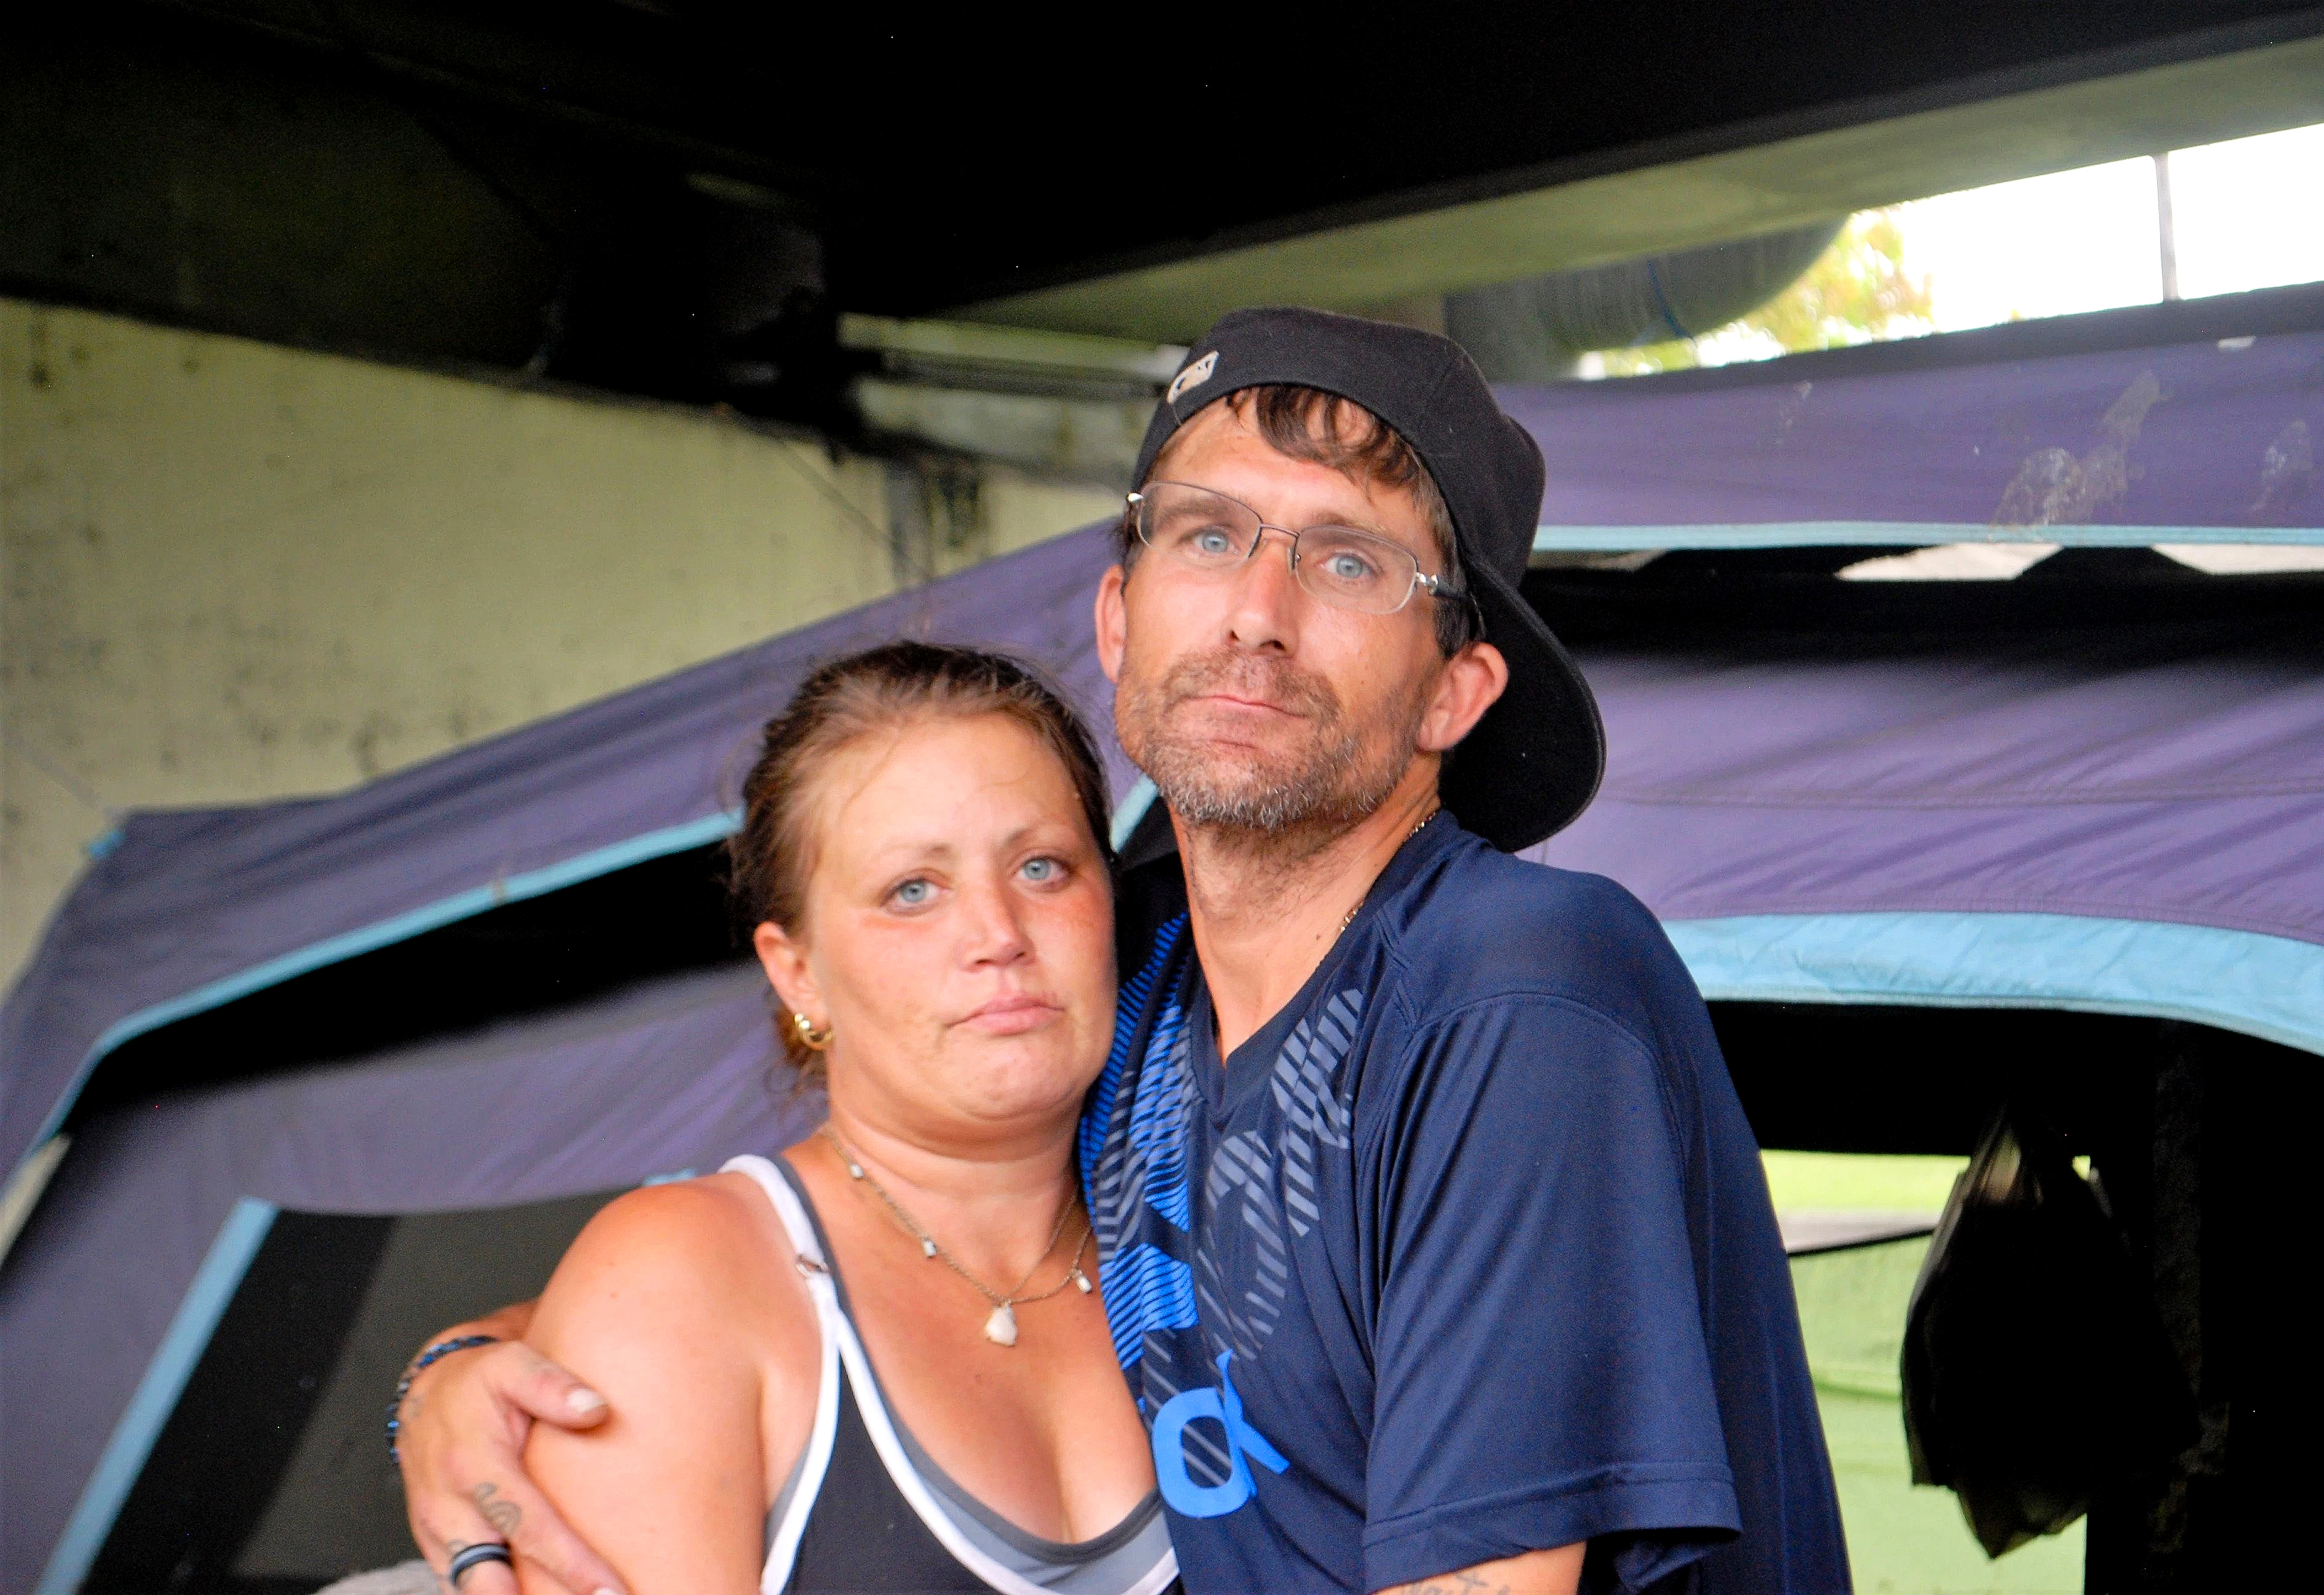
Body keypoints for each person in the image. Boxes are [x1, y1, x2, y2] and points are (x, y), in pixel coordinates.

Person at [395, 309, 1851, 1594]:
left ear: (1453, 694)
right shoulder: (1119, 974)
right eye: (1207, 535)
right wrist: (468, 1372)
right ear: (1117, 616)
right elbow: (794, 1267)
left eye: (1349, 561)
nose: (1256, 614)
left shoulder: (1519, 987)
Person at [403, 642, 1179, 1595]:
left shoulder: (1207, 1221)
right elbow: (632, 1326)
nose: (998, 934)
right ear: (798, 973)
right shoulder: (680, 1276)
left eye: (1043, 868)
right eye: (912, 891)